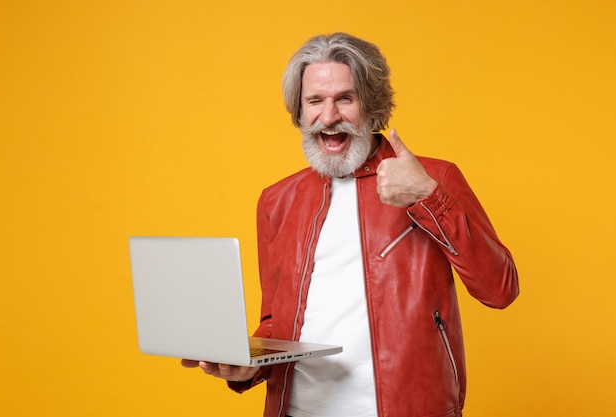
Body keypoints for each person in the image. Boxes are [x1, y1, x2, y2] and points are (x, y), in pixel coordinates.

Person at [182, 32, 519, 417]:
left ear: (372, 105)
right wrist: (246, 366)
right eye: (314, 101)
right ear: (299, 111)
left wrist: (428, 196)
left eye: (345, 98)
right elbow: (278, 323)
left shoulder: (433, 178)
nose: (328, 117)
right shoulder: (278, 201)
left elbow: (500, 288)